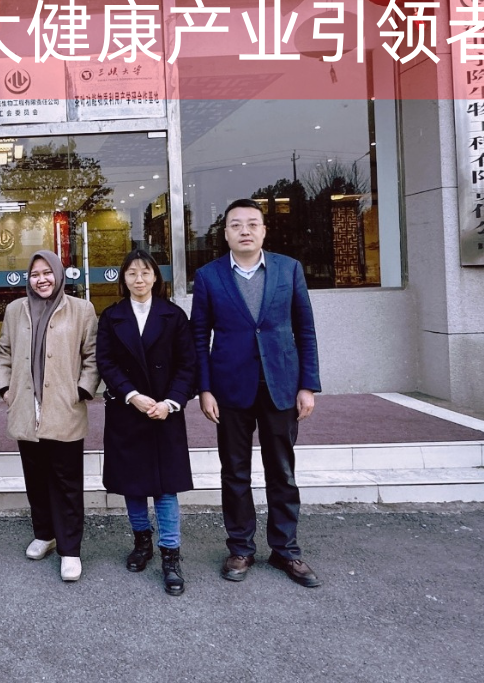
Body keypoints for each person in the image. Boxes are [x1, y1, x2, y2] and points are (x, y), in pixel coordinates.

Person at [190, 199, 322, 588]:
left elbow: (305, 329)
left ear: (264, 230)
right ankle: (240, 548)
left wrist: (308, 385)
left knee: (282, 470)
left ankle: (286, 549)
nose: (244, 230)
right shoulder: (209, 276)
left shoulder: (288, 269)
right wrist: (204, 388)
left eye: (252, 224)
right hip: (229, 388)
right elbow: (199, 337)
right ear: (225, 233)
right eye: (236, 225)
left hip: (281, 384)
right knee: (235, 472)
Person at [96, 249, 197, 596]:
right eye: (132, 273)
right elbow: (105, 362)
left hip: (165, 412)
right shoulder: (112, 316)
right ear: (123, 279)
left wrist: (171, 402)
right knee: (133, 485)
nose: (139, 279)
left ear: (156, 277)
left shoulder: (174, 315)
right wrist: (132, 395)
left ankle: (171, 554)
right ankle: (142, 542)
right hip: (127, 410)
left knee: (166, 487)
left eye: (145, 272)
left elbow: (188, 364)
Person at [0, 250, 99, 583]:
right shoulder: (16, 310)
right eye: (35, 274)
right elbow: (4, 351)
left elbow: (92, 355)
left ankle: (70, 549)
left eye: (47, 273)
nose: (41, 280)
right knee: (36, 478)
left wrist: (82, 389)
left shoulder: (81, 309)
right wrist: (5, 388)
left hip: (64, 407)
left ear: (59, 274)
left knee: (67, 482)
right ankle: (44, 534)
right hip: (27, 407)